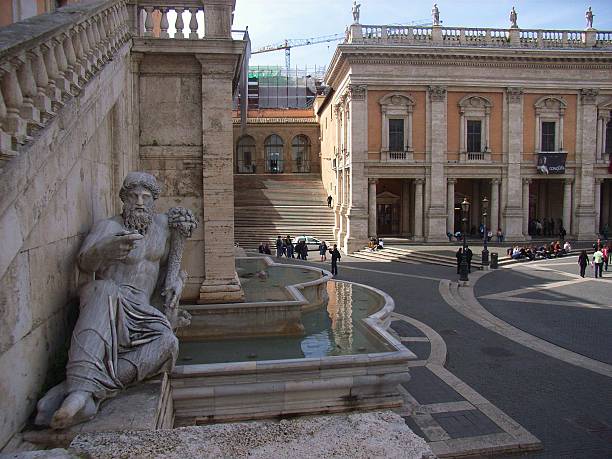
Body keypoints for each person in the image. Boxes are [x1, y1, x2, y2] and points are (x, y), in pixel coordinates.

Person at [35, 172, 192, 429]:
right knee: (103, 289)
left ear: (154, 200)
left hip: (143, 312)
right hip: (109, 304)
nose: (140, 202)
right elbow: (85, 262)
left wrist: (174, 279)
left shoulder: (162, 226)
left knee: (168, 343)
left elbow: (182, 231)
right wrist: (103, 250)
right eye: (134, 196)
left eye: (146, 196)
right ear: (124, 199)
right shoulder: (109, 227)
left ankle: (83, 386)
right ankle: (79, 395)